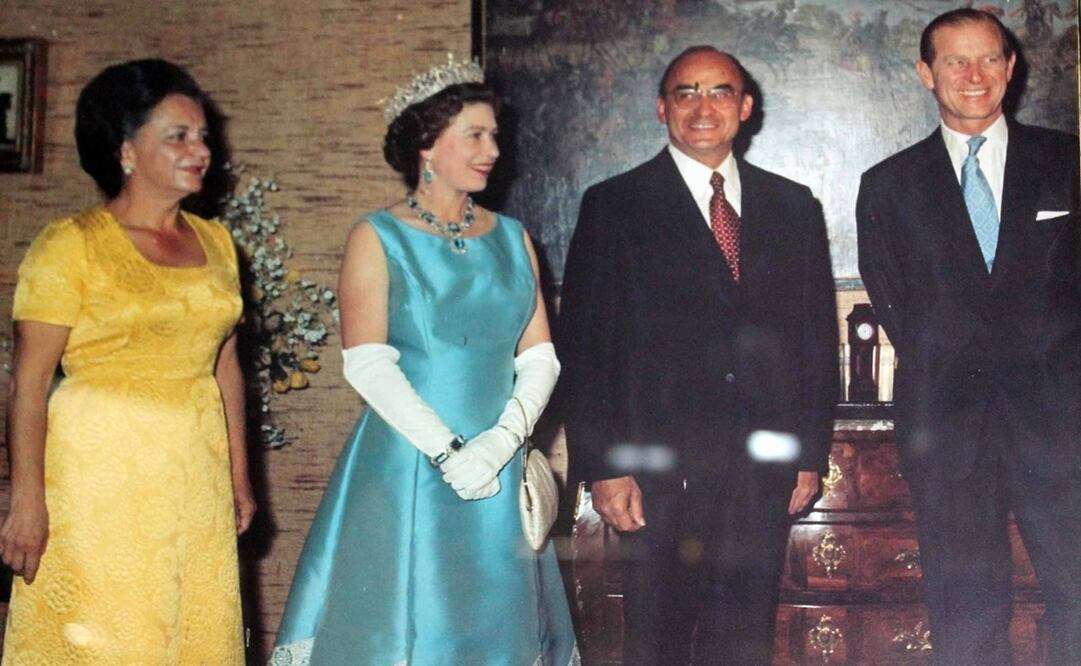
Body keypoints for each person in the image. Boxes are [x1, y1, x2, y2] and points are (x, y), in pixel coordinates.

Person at [270, 56, 578, 665]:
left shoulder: (513, 237)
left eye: (495, 135)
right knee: (408, 624)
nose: (492, 148)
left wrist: (500, 442)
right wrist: (446, 450)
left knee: (496, 625)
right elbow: (366, 363)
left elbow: (540, 356)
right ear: (426, 146)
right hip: (408, 463)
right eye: (476, 134)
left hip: (499, 461)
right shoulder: (377, 236)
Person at [558, 46, 838, 665]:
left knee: (742, 640)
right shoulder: (616, 205)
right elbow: (586, 347)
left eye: (719, 92)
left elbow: (816, 340)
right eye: (686, 93)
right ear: (662, 109)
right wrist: (604, 466)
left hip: (761, 473)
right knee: (654, 640)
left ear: (745, 106)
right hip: (657, 477)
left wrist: (809, 455)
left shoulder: (793, 207)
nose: (702, 107)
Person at [0, 59, 254, 664]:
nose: (200, 151)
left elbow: (226, 368)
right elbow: (29, 384)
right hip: (99, 477)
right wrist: (26, 500)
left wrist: (240, 477)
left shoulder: (218, 244)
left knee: (192, 631)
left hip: (194, 470)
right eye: (179, 136)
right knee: (112, 633)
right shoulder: (70, 244)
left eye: (202, 137)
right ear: (126, 151)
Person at [856, 9, 1080, 665]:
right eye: (954, 61)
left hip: (1062, 427)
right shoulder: (887, 186)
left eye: (988, 58)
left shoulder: (1067, 162)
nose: (972, 75)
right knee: (964, 604)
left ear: (1011, 67)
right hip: (948, 428)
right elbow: (898, 304)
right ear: (926, 73)